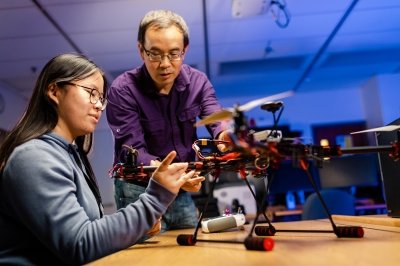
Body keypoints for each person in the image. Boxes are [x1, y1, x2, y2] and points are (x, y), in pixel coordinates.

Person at [0, 53, 197, 265]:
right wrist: (156, 197)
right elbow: (80, 245)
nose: (99, 106)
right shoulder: (34, 158)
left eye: (101, 98)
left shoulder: (70, 154)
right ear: (54, 91)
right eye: (91, 93)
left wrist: (140, 227)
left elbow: (90, 228)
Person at [106, 10, 230, 233]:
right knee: (147, 256)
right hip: (137, 190)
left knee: (191, 248)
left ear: (185, 50)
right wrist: (179, 177)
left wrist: (225, 137)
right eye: (155, 54)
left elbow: (215, 118)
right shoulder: (123, 90)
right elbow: (133, 151)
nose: (165, 64)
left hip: (179, 191)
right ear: (141, 51)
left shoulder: (197, 82)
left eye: (174, 54)